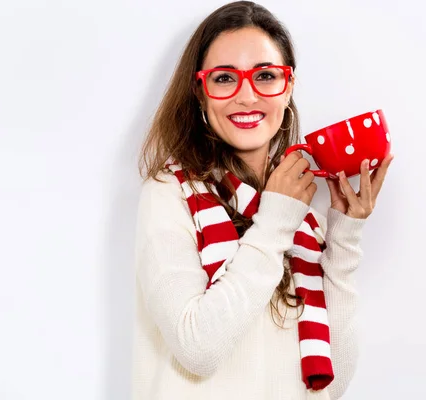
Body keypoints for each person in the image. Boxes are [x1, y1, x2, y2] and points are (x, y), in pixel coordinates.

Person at [132, 1, 393, 399]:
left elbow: (331, 382)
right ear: (200, 92)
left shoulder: (299, 214)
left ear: (287, 88)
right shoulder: (170, 193)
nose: (246, 96)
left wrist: (343, 236)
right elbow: (198, 348)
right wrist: (275, 222)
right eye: (224, 78)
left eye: (266, 76)